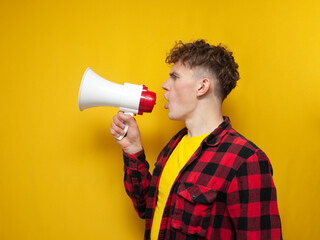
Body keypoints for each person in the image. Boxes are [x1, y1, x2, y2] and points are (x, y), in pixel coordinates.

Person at [110, 40, 282, 240]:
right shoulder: (174, 146)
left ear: (202, 86)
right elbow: (144, 207)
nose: (165, 85)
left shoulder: (246, 160)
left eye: (174, 77)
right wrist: (132, 149)